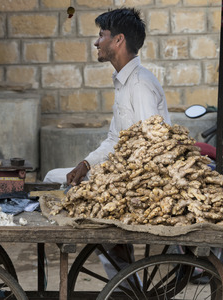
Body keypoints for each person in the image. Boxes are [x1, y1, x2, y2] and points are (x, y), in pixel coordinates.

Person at [43, 7, 171, 280]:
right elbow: (115, 139)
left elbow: (154, 147)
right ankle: (122, 271)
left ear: (118, 40)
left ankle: (123, 276)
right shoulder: (123, 83)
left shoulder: (139, 85)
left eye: (101, 35)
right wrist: (87, 163)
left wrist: (110, 178)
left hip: (142, 183)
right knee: (54, 177)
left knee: (64, 188)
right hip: (123, 174)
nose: (96, 42)